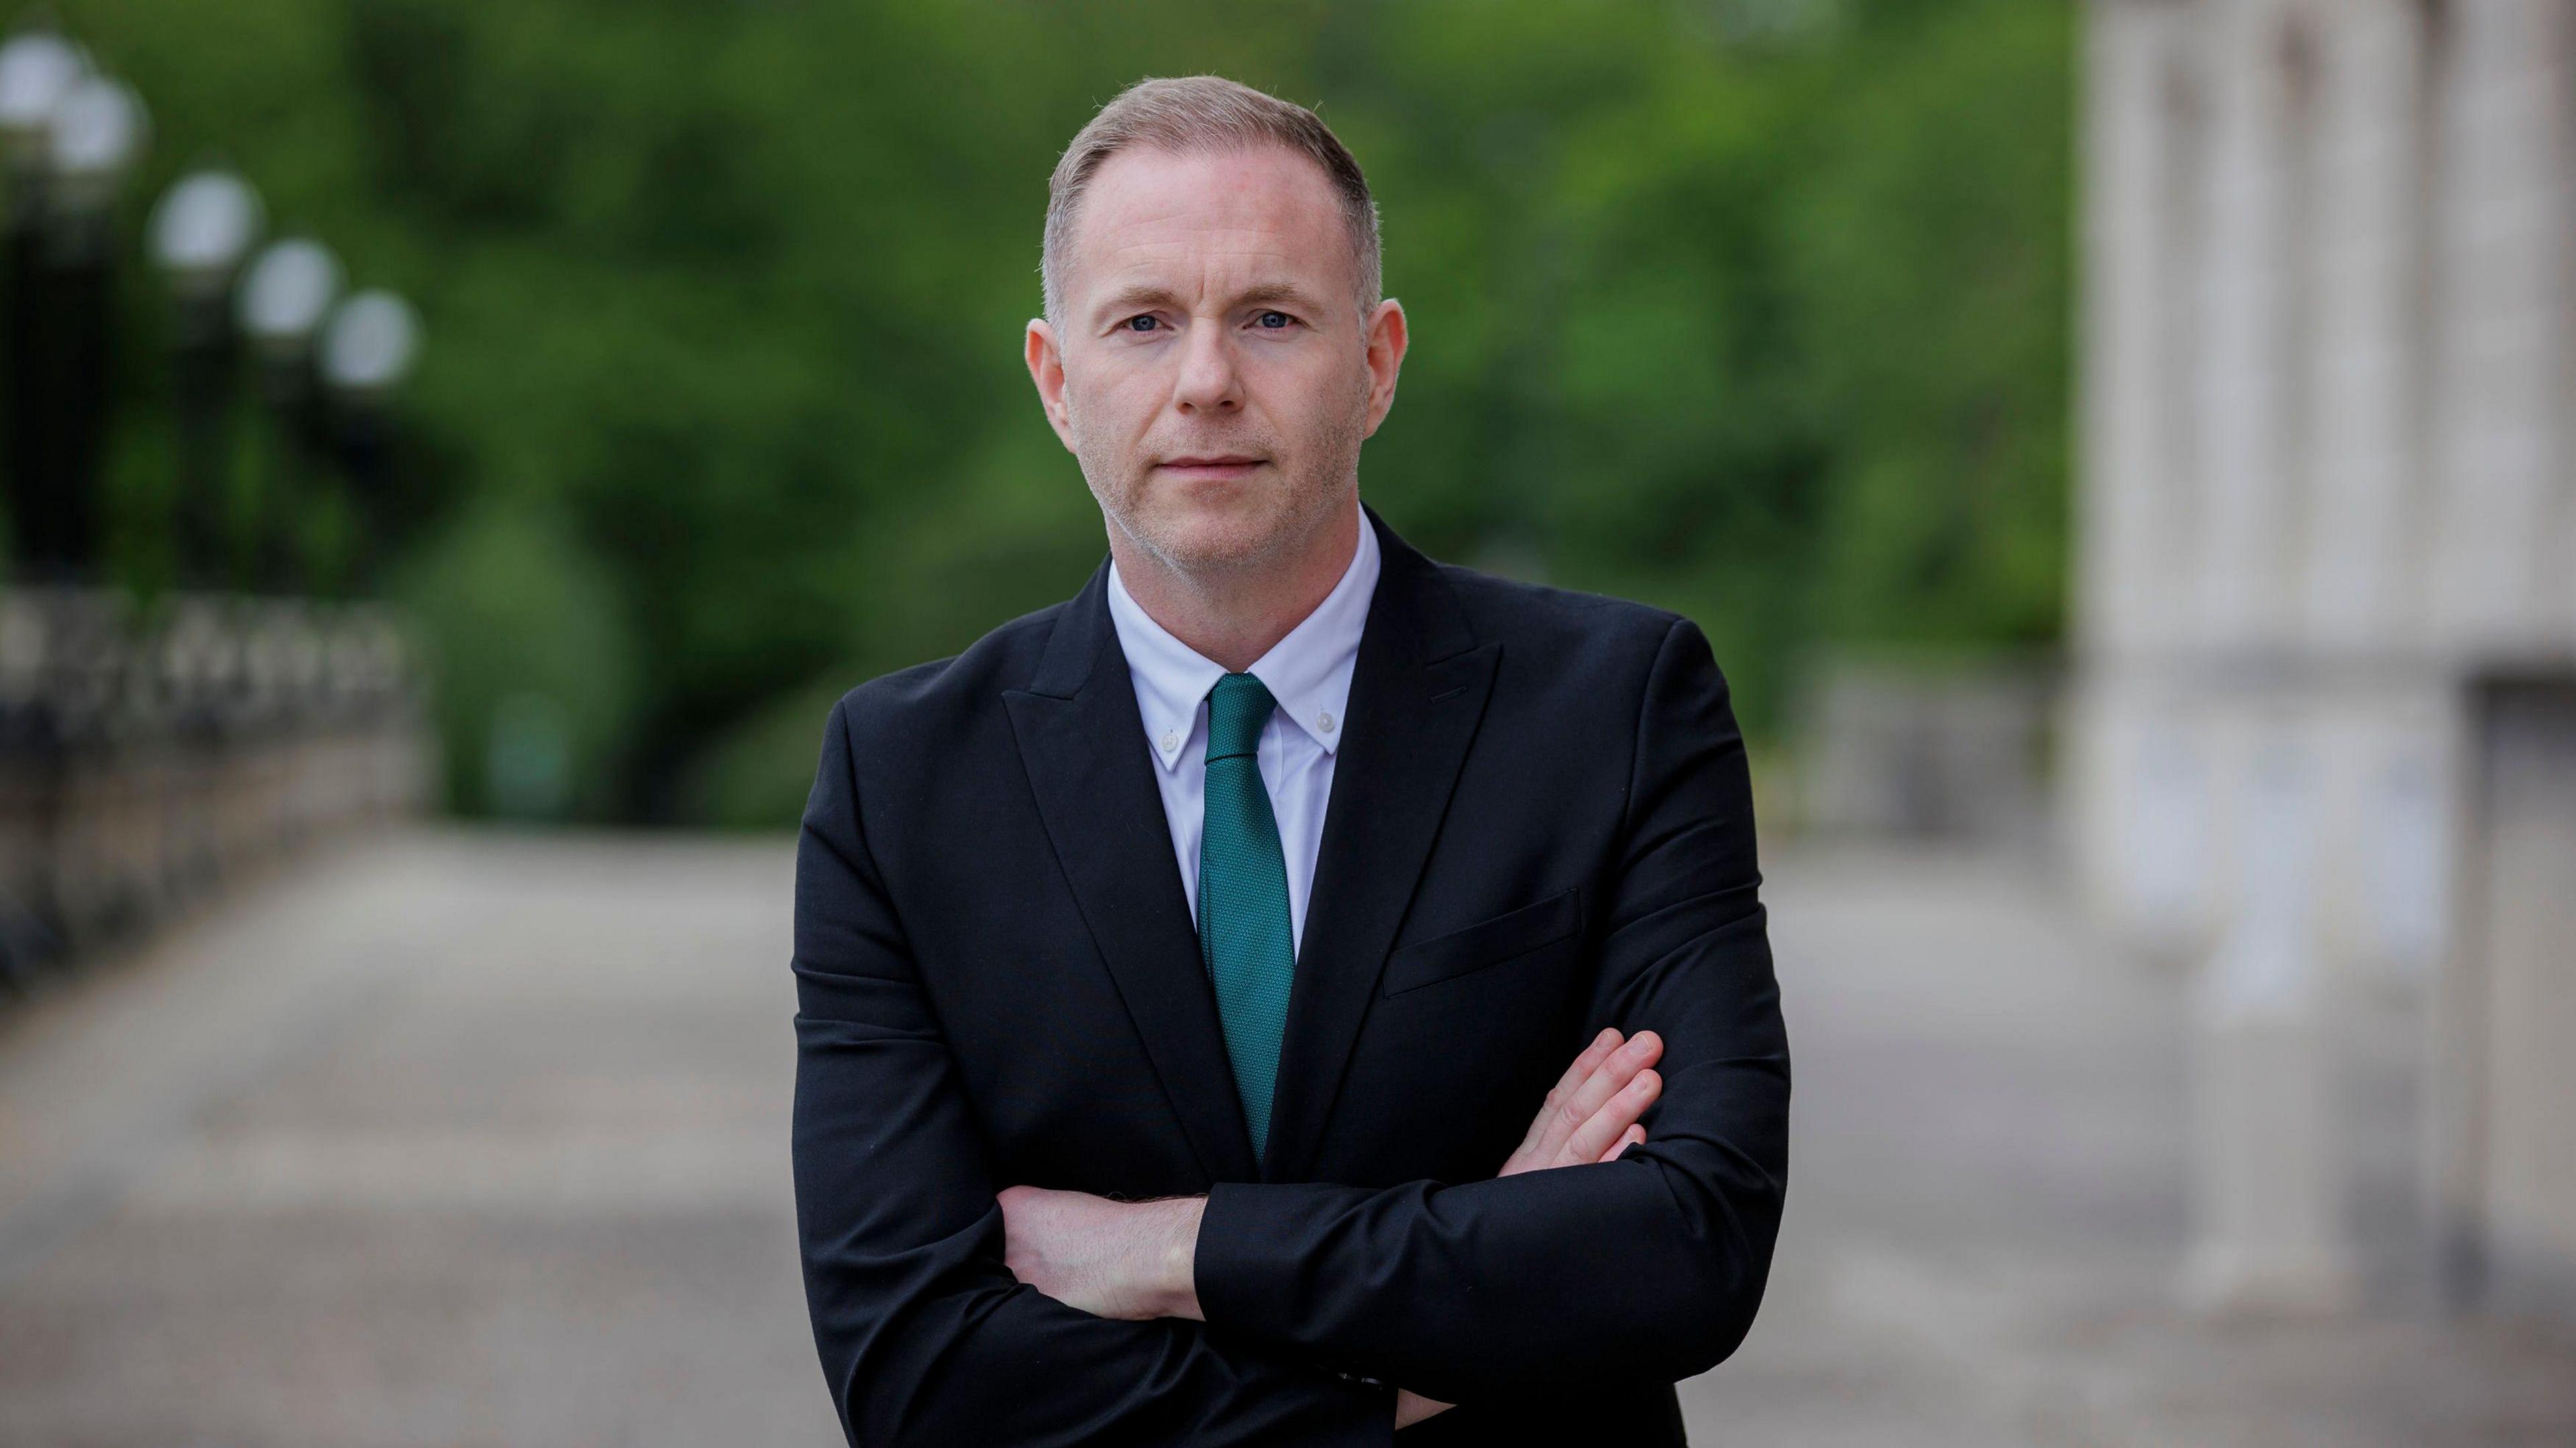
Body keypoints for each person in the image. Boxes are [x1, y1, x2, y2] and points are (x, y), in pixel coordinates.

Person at [790, 72, 1789, 1446]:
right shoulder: (901, 782)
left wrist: (1172, 1253)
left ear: (1376, 365)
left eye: (1270, 318)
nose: (1205, 381)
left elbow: (1689, 1245)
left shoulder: (1616, 710)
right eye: (1143, 322)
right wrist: (1433, 1362)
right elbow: (918, 1373)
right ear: (1056, 380)